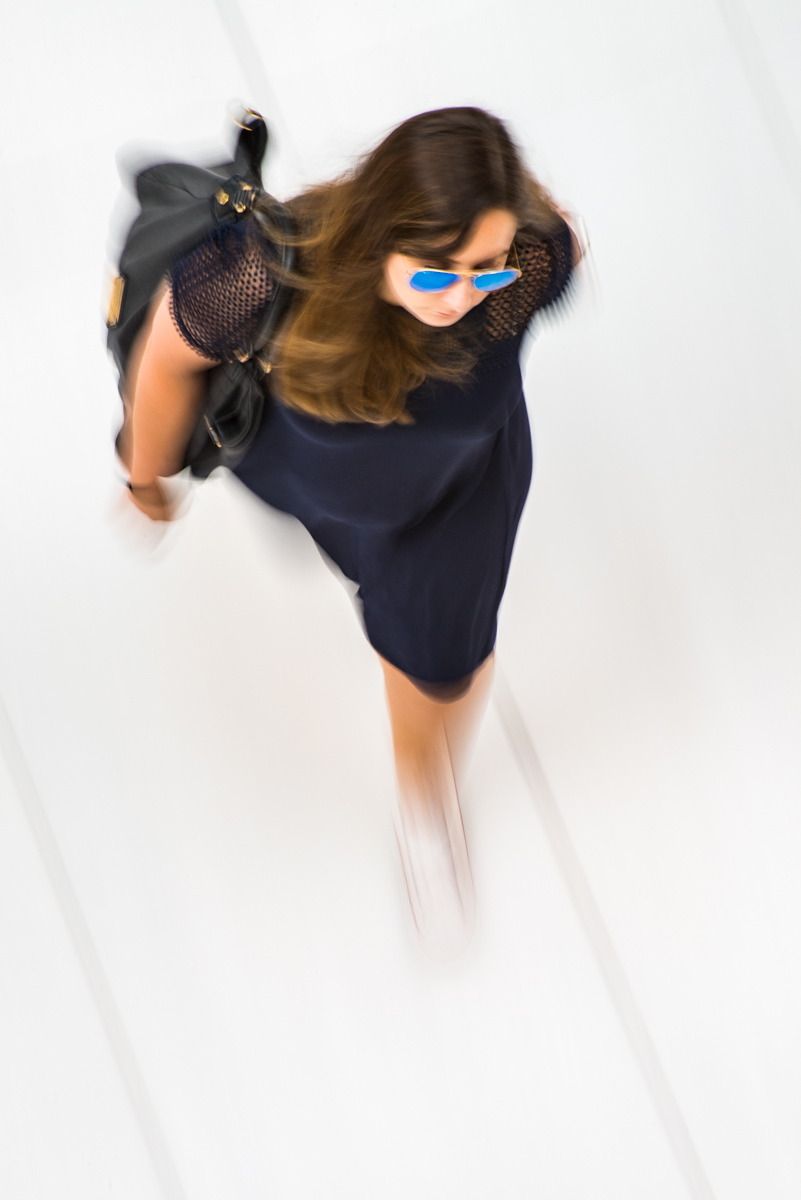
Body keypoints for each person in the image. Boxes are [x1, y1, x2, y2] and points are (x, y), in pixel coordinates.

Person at [116, 106, 582, 957]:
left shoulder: (526, 267)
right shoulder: (261, 280)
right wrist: (145, 477)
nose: (464, 294)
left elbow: (558, 246)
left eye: (484, 267)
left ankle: (423, 804)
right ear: (379, 237)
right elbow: (166, 357)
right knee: (350, 563)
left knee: (442, 669)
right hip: (311, 485)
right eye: (437, 272)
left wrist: (500, 269)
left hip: (453, 500)